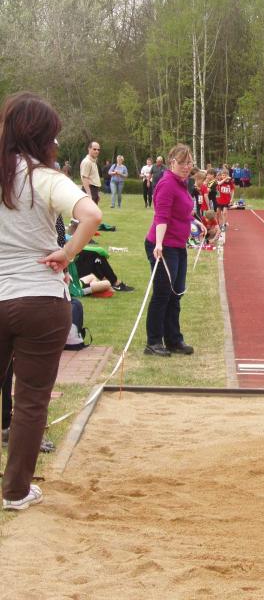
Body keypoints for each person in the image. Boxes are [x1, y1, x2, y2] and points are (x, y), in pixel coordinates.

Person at [0, 92, 102, 511]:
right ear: (44, 137)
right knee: (31, 400)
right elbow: (91, 215)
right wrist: (69, 252)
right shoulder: (45, 177)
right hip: (40, 297)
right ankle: (16, 492)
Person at [144, 143, 195, 357]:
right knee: (163, 293)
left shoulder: (182, 183)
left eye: (189, 162)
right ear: (172, 162)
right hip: (164, 246)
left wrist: (196, 222)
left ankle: (173, 339)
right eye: (182, 162)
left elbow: (182, 212)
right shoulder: (167, 183)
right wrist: (159, 244)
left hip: (178, 245)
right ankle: (153, 342)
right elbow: (162, 216)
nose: (186, 166)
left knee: (176, 292)